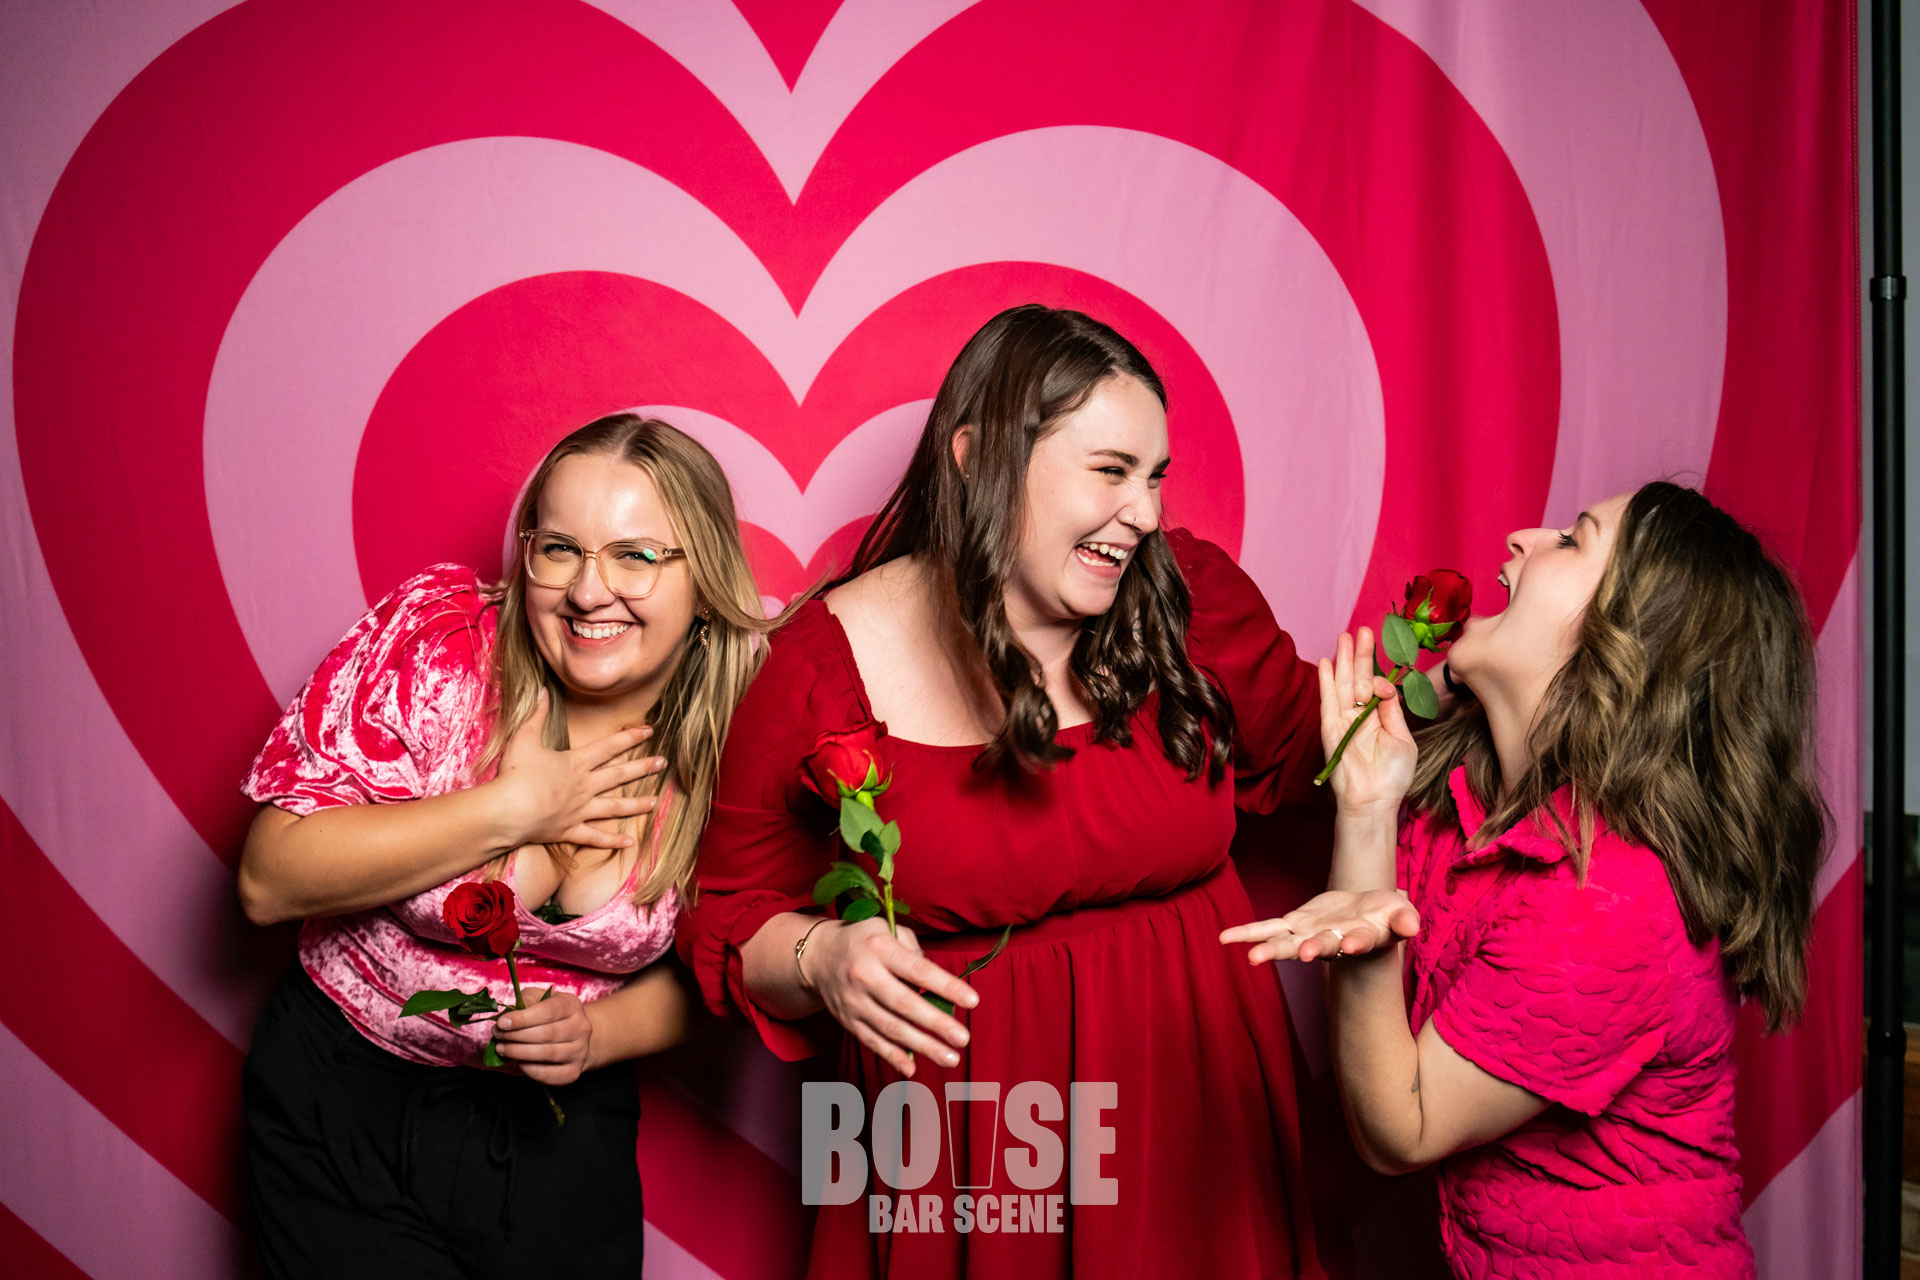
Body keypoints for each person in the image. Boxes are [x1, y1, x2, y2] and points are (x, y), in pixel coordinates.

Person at [677, 305, 1329, 1278]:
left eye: (1154, 477)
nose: (1146, 514)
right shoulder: (818, 668)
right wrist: (823, 959)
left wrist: (1481, 684)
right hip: (970, 1144)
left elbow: (1323, 741)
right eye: (1111, 471)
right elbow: (727, 914)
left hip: (1198, 1108)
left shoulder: (1183, 597)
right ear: (978, 455)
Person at [1222, 482, 1825, 1278]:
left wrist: (1364, 937)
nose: (1521, 537)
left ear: (1627, 647)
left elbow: (1400, 1129)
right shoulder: (1467, 805)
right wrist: (1366, 806)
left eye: (1573, 541)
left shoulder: (1611, 900)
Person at [237, 414, 780, 1278]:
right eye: (560, 549)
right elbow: (269, 878)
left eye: (636, 556)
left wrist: (596, 1034)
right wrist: (512, 809)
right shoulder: (444, 649)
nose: (589, 592)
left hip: (558, 1134)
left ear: (704, 579)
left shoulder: (747, 729)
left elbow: (729, 963)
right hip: (340, 1100)